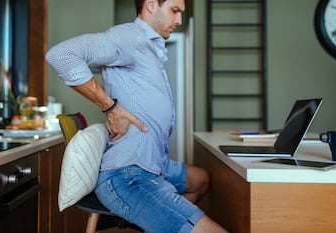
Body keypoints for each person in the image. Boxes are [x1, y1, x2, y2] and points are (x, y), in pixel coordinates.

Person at [46, 0, 228, 232]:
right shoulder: (130, 37)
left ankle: (167, 220)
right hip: (128, 176)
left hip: (153, 164)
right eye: (175, 11)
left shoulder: (152, 46)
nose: (179, 20)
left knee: (201, 179)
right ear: (151, 5)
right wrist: (110, 107)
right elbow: (61, 55)